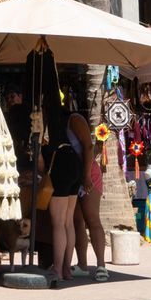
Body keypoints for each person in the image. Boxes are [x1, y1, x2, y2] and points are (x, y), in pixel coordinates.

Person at [68, 109, 109, 280]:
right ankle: (82, 264)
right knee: (77, 220)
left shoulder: (74, 119)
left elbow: (88, 147)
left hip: (88, 174)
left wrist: (86, 176)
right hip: (74, 174)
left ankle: (101, 265)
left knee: (92, 219)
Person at [44, 108, 84, 285]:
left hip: (60, 164)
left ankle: (58, 269)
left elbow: (40, 163)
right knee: (68, 221)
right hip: (74, 162)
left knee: (58, 223)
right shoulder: (66, 121)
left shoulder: (46, 124)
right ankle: (66, 268)